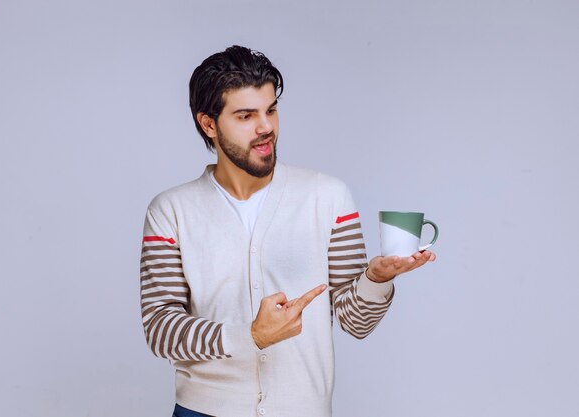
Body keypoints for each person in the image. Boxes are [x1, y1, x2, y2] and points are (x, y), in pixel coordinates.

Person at [139, 45, 436, 417]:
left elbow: (356, 323)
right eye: (246, 115)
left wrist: (376, 279)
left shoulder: (328, 197)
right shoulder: (171, 210)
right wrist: (249, 337)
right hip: (203, 411)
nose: (266, 127)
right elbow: (161, 329)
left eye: (271, 110)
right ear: (209, 124)